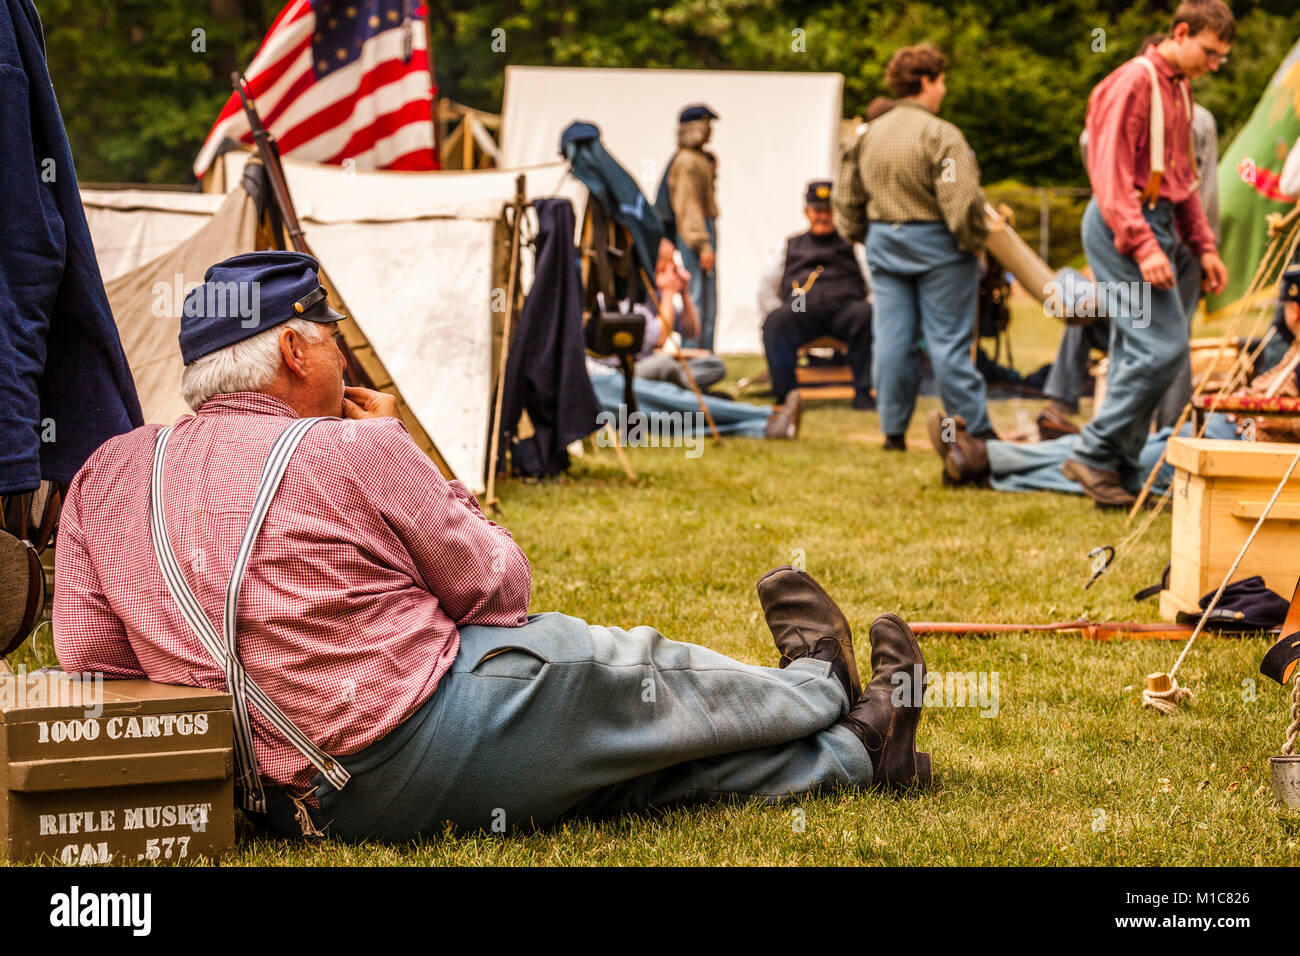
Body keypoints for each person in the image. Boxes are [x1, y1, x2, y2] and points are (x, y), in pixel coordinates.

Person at [53, 251, 931, 841]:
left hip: (274, 801)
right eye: (332, 344)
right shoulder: (352, 446)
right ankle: (816, 684)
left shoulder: (107, 472)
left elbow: (89, 656)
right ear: (291, 348)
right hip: (412, 740)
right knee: (599, 663)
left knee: (611, 777)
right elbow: (497, 587)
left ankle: (857, 753)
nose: (345, 367)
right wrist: (414, 462)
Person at [1059, 0, 1233, 507]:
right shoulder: (1134, 80)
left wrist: (1203, 247)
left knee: (1142, 352)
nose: (1215, 63)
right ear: (1181, 32)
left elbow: (1183, 184)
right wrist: (1142, 245)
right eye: (1210, 52)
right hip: (1123, 223)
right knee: (1163, 350)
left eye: (1221, 56)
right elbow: (1109, 174)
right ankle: (1093, 451)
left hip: (1155, 221)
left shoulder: (1178, 88)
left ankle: (1120, 467)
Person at [925, 263, 1300, 495]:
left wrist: (1248, 416)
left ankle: (987, 464)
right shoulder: (1292, 349)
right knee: (1111, 449)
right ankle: (984, 455)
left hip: (1240, 443)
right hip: (1218, 428)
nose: (1290, 315)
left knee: (1121, 466)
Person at [1041, 31, 1221, 437]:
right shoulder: (1133, 92)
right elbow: (1112, 178)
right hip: (1144, 233)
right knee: (1154, 339)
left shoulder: (1192, 113)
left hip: (1162, 234)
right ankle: (1136, 439)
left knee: (1156, 340)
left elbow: (1194, 185)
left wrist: (1201, 246)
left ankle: (1137, 440)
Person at [833, 43, 994, 451]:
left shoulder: (867, 136)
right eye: (941, 81)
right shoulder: (941, 134)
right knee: (948, 342)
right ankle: (973, 429)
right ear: (925, 81)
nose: (944, 89)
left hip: (885, 243)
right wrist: (974, 243)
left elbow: (847, 199)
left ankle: (892, 431)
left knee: (890, 339)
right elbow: (961, 202)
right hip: (939, 246)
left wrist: (860, 235)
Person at [759, 180, 874, 409]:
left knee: (868, 315)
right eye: (818, 210)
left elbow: (873, 284)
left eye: (828, 210)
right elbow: (766, 287)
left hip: (845, 310)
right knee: (776, 322)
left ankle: (864, 393)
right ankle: (787, 397)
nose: (823, 216)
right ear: (806, 211)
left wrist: (866, 303)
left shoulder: (854, 245)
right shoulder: (788, 245)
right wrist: (777, 310)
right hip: (802, 310)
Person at [656, 104, 719, 351]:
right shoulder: (688, 162)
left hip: (700, 230)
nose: (709, 132)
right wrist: (703, 243)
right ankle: (698, 357)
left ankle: (703, 354)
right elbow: (689, 207)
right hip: (696, 233)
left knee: (705, 299)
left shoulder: (695, 159)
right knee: (699, 298)